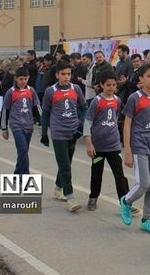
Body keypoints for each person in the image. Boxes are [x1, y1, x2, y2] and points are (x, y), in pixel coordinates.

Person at [119, 63, 150, 235]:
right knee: (144, 183)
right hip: (139, 144)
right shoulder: (135, 97)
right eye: (149, 76)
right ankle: (126, 201)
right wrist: (127, 150)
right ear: (141, 79)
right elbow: (127, 125)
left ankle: (147, 219)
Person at [41, 61, 88, 212]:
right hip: (58, 133)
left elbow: (83, 107)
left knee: (66, 163)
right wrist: (44, 134)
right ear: (57, 75)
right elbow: (46, 113)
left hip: (73, 132)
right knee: (65, 166)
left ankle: (57, 188)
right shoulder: (51, 91)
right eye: (63, 74)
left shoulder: (77, 89)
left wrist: (82, 125)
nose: (66, 77)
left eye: (68, 74)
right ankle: (71, 198)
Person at [83, 71, 132, 212]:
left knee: (120, 175)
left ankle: (126, 202)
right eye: (108, 85)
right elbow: (88, 122)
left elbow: (116, 118)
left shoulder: (117, 100)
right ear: (101, 85)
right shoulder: (97, 101)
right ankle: (93, 197)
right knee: (96, 173)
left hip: (114, 146)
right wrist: (89, 143)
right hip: (98, 147)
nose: (111, 88)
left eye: (114, 85)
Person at [1, 67, 41, 175]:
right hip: (16, 125)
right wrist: (4, 129)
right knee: (23, 150)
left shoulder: (31, 91)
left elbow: (37, 107)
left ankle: (17, 173)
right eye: (21, 79)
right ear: (16, 78)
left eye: (25, 79)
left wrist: (44, 124)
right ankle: (25, 176)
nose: (23, 81)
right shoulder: (11, 92)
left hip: (28, 125)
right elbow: (5, 110)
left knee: (23, 152)